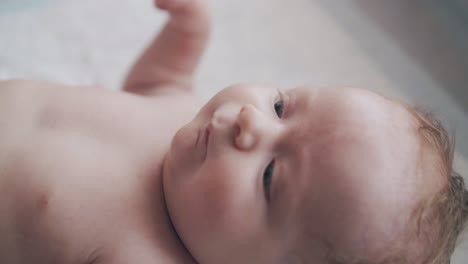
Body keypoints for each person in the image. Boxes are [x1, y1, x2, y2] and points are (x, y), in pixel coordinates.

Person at [0, 0, 467, 263]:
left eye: (268, 177)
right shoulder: (189, 124)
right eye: (282, 106)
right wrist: (187, 36)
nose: (250, 121)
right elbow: (157, 87)